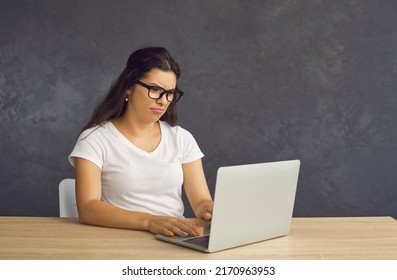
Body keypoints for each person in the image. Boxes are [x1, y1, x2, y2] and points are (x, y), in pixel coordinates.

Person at [69, 47, 213, 237]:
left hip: (173, 240)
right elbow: (88, 208)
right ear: (129, 86)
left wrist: (210, 210)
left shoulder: (181, 138)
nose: (163, 101)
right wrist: (150, 221)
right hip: (117, 240)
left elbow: (201, 200)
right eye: (155, 90)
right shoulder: (95, 138)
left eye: (170, 92)